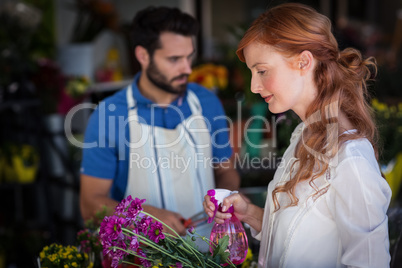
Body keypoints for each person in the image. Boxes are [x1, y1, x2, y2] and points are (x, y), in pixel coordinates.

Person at [204, 3, 392, 267]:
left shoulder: (351, 159)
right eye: (251, 73)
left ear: (303, 62)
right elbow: (296, 238)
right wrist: (249, 213)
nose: (254, 86)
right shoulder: (302, 135)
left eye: (262, 70)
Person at [80, 6, 240, 236]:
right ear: (143, 56)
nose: (187, 68)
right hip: (141, 257)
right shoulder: (110, 114)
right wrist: (142, 216)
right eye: (174, 59)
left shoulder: (206, 102)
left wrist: (228, 200)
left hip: (210, 253)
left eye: (189, 56)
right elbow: (90, 204)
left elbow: (225, 171)